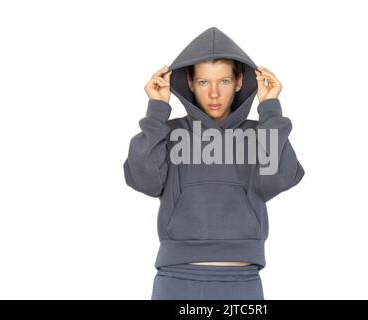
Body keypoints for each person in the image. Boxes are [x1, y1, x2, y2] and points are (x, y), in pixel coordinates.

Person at [123, 27, 305, 300]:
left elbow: (277, 180)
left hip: (242, 281)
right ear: (191, 83)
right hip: (177, 279)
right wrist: (157, 110)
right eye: (205, 83)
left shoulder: (260, 134)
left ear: (240, 81)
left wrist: (270, 109)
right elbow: (142, 179)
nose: (215, 94)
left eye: (224, 81)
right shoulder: (168, 133)